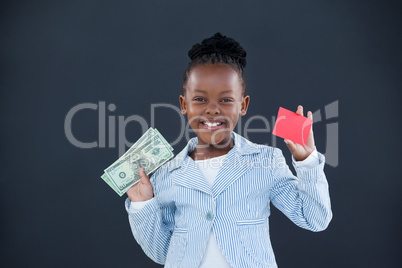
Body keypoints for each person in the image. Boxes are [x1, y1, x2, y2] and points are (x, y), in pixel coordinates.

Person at [125, 32, 332, 268]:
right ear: (184, 105)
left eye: (225, 100)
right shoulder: (167, 173)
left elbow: (315, 219)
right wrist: (143, 204)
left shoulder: (266, 161)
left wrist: (307, 162)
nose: (213, 110)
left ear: (243, 105)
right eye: (200, 99)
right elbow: (164, 253)